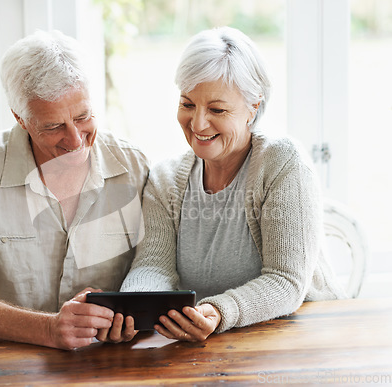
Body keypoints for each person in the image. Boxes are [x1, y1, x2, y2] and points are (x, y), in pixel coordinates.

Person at [115, 26, 347, 343]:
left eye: (217, 109)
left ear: (253, 107)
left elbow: (286, 281)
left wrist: (221, 311)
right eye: (187, 104)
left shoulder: (281, 162)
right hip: (217, 346)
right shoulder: (165, 180)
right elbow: (154, 266)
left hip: (306, 338)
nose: (197, 123)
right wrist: (130, 310)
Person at [0, 30, 149, 350]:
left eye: (83, 116)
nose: (76, 141)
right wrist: (48, 329)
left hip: (110, 361)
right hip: (6, 363)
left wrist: (132, 311)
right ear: (20, 118)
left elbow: (156, 268)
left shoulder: (133, 166)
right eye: (53, 126)